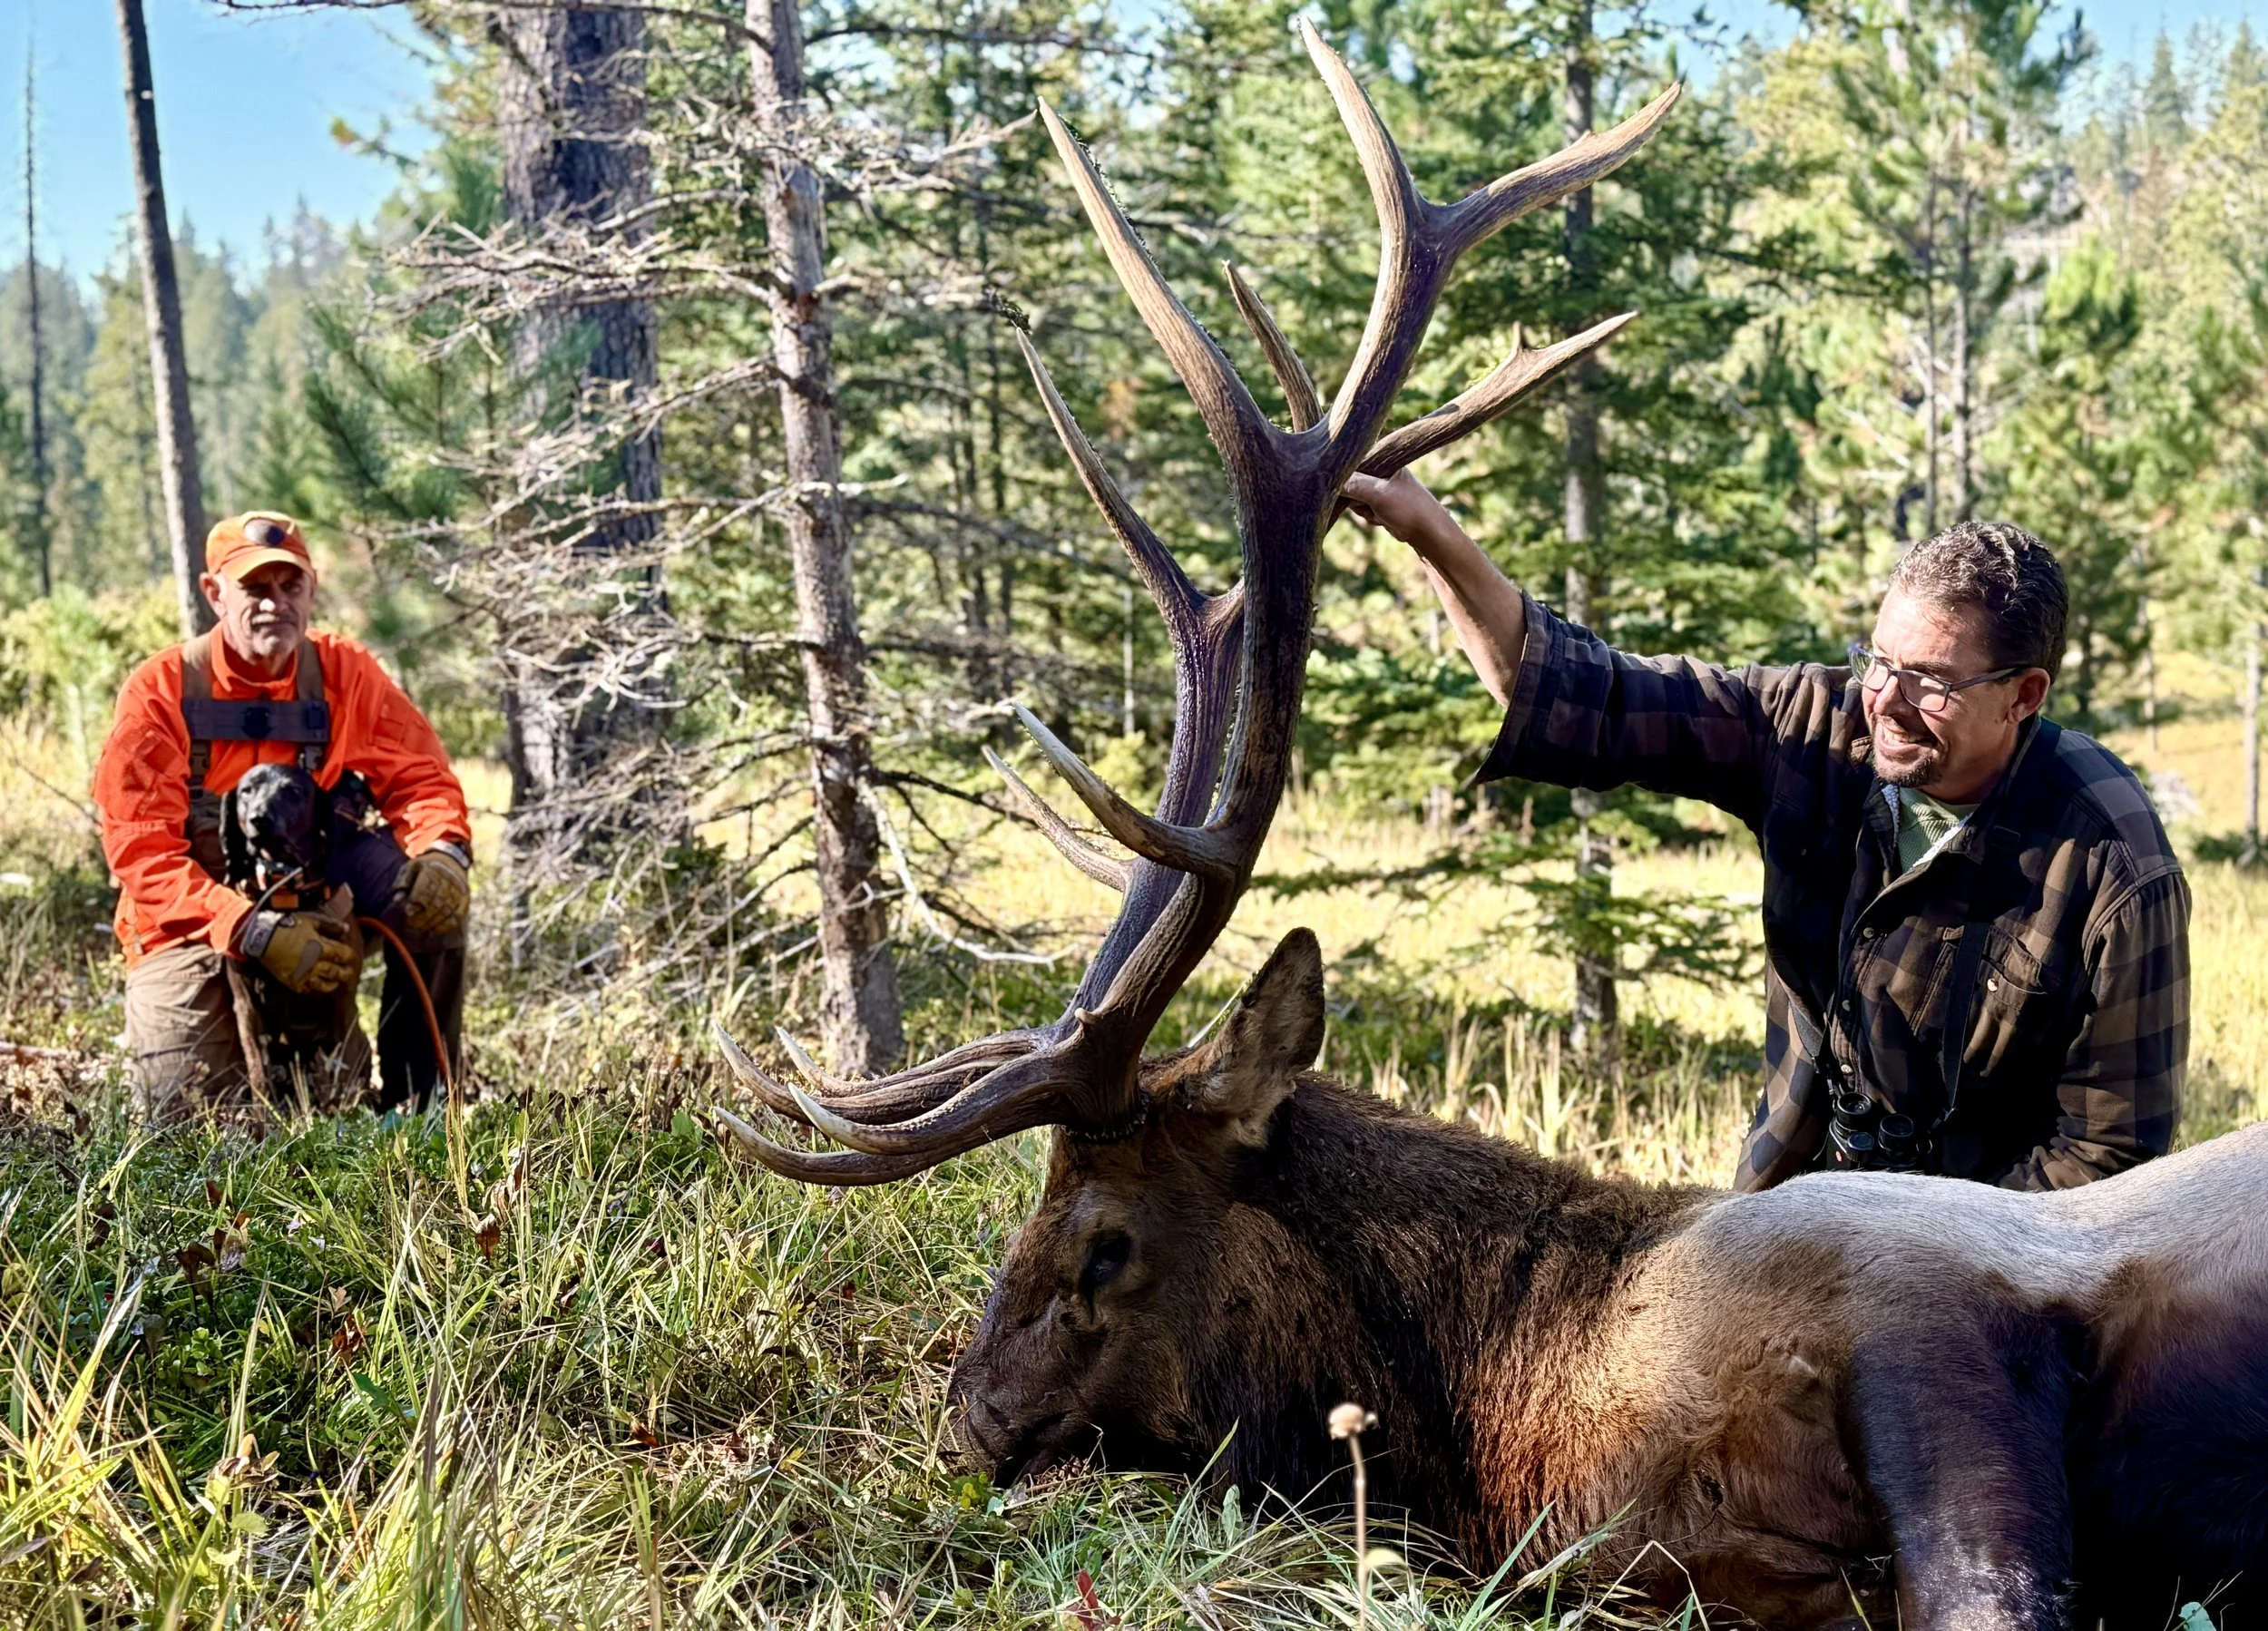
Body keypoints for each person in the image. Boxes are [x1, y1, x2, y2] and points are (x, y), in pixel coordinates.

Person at [1344, 468, 2187, 1191]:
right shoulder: (1808, 728)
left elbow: (2107, 1159)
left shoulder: (2112, 863)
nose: (1885, 703)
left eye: (1929, 681)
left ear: (2025, 694)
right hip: (1784, 1213)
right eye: (1878, 661)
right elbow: (1582, 697)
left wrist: (1930, 1265)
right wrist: (1430, 534)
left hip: (1986, 1280)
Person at [93, 513, 474, 1117]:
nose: (275, 605)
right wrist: (251, 929)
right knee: (192, 1118)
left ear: (311, 589)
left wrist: (443, 850)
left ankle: (423, 1105)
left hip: (315, 874)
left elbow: (419, 776)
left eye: (289, 587)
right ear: (214, 593)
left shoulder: (344, 672)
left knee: (432, 902)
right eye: (255, 589)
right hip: (186, 912)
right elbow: (142, 853)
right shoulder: (160, 691)